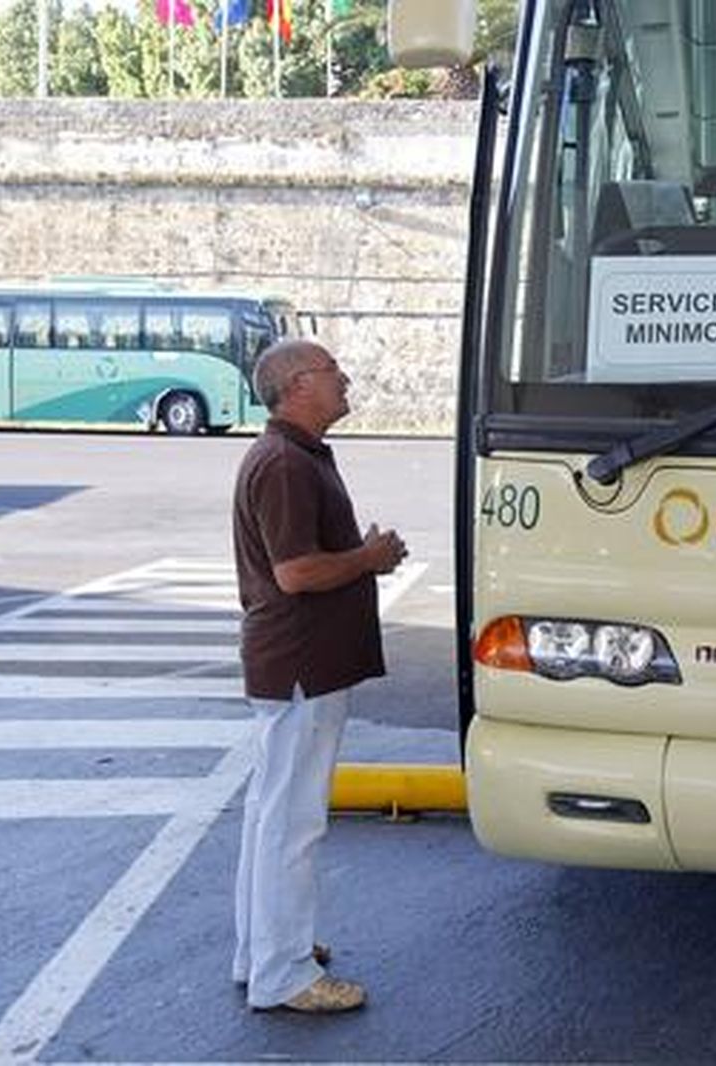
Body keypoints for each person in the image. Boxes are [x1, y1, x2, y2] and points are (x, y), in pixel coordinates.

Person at [231, 339, 408, 1014]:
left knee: (270, 815)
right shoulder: (284, 464)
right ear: (299, 384)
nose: (346, 377)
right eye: (334, 369)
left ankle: (263, 951)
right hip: (302, 662)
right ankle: (285, 973)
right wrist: (368, 556)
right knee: (293, 823)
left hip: (292, 662)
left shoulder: (287, 456)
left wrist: (359, 556)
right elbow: (297, 573)